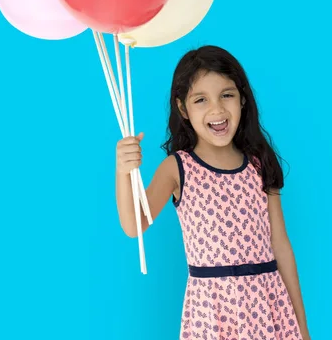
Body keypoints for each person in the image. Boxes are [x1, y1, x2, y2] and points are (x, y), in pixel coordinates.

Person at [116, 46, 311, 340]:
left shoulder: (260, 164)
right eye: (201, 99)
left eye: (226, 95)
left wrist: (301, 328)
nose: (217, 110)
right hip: (211, 314)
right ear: (183, 108)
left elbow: (281, 246)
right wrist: (123, 169)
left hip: (269, 309)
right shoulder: (177, 168)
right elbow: (134, 226)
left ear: (243, 98)